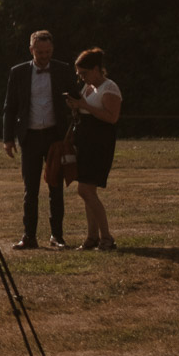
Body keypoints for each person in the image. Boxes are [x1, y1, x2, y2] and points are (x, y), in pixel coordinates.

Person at [2, 29, 76, 250]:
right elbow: (10, 107)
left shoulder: (63, 70)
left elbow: (76, 101)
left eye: (48, 51)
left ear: (52, 49)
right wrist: (8, 139)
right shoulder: (18, 73)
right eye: (40, 52)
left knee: (56, 187)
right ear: (31, 50)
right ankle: (29, 236)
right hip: (30, 137)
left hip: (55, 137)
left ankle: (57, 236)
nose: (44, 56)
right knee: (30, 189)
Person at [65, 48, 121, 251]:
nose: (82, 78)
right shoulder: (88, 88)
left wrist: (84, 106)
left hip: (99, 144)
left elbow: (112, 117)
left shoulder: (109, 88)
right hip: (85, 143)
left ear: (97, 69)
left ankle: (106, 237)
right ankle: (92, 237)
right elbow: (84, 109)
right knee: (88, 192)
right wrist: (76, 106)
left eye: (84, 73)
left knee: (85, 190)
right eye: (79, 74)